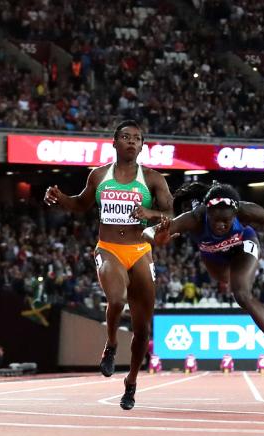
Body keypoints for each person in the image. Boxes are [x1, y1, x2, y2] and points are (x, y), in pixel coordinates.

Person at [44, 120, 174, 410]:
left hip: (140, 251)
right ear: (114, 143)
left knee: (142, 330)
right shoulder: (99, 175)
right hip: (109, 249)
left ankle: (131, 383)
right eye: (125, 137)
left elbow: (170, 213)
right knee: (116, 298)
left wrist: (150, 212)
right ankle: (112, 343)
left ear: (142, 146)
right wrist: (60, 197)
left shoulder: (152, 179)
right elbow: (81, 204)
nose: (131, 142)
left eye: (137, 139)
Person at [142, 181, 264, 380]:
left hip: (243, 245)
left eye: (226, 222)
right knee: (222, 279)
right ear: (207, 213)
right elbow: (148, 232)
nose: (220, 225)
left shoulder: (246, 210)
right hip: (213, 254)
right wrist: (156, 238)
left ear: (235, 215)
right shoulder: (194, 218)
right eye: (216, 220)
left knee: (242, 295)